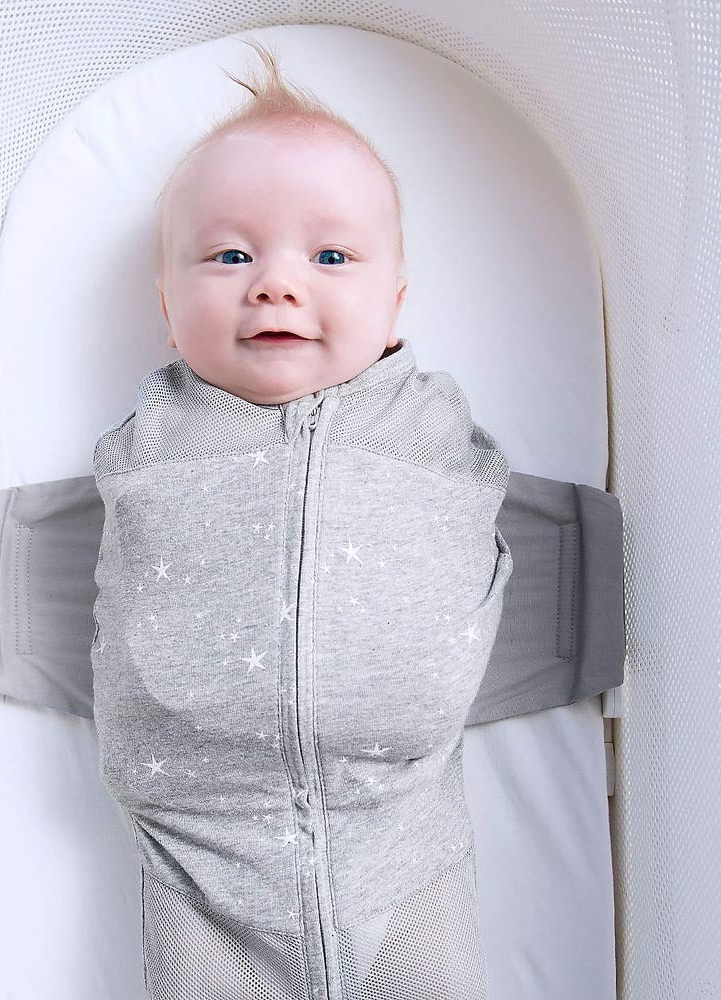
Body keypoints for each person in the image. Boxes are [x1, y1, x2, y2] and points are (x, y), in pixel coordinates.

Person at [90, 37, 513, 999]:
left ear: (394, 303)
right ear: (167, 306)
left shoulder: (425, 426)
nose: (277, 284)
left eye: (330, 256)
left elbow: (475, 544)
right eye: (230, 255)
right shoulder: (156, 434)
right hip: (199, 842)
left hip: (400, 827)